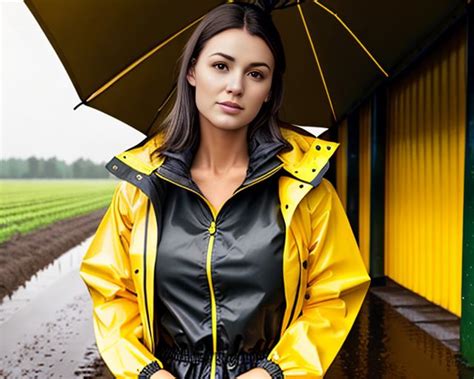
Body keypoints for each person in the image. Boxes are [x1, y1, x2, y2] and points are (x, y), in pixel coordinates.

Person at [79, 2, 371, 378]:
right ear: (191, 72)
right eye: (221, 66)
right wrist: (147, 372)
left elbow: (335, 296)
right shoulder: (142, 188)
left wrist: (275, 372)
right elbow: (112, 292)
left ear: (269, 91)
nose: (236, 86)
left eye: (256, 74)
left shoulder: (307, 191)